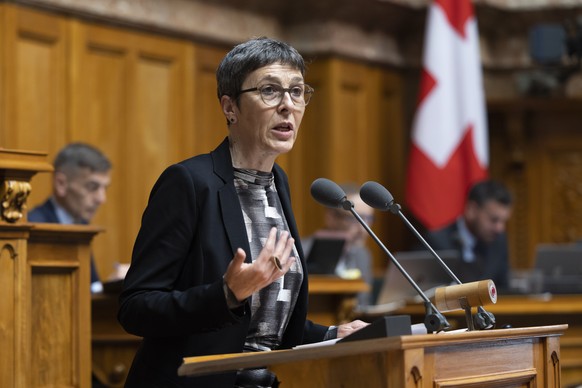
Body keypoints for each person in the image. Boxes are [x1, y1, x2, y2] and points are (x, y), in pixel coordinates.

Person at [117, 37, 368, 388]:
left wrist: (331, 332)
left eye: (297, 91)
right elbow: (136, 308)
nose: (288, 106)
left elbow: (265, 328)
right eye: (270, 90)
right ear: (229, 106)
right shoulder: (190, 183)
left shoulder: (277, 184)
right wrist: (224, 295)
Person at [28, 142, 112, 294]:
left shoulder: (81, 225)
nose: (101, 199)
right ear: (61, 183)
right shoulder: (35, 226)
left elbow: (89, 286)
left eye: (104, 188)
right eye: (92, 187)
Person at [422, 179, 513, 289]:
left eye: (504, 221)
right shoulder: (434, 243)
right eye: (494, 220)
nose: (500, 228)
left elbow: (505, 290)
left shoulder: (499, 241)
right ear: (472, 210)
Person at [303, 183, 374, 306]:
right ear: (330, 217)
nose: (363, 228)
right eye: (354, 219)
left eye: (368, 219)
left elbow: (363, 304)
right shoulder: (301, 252)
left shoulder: (362, 254)